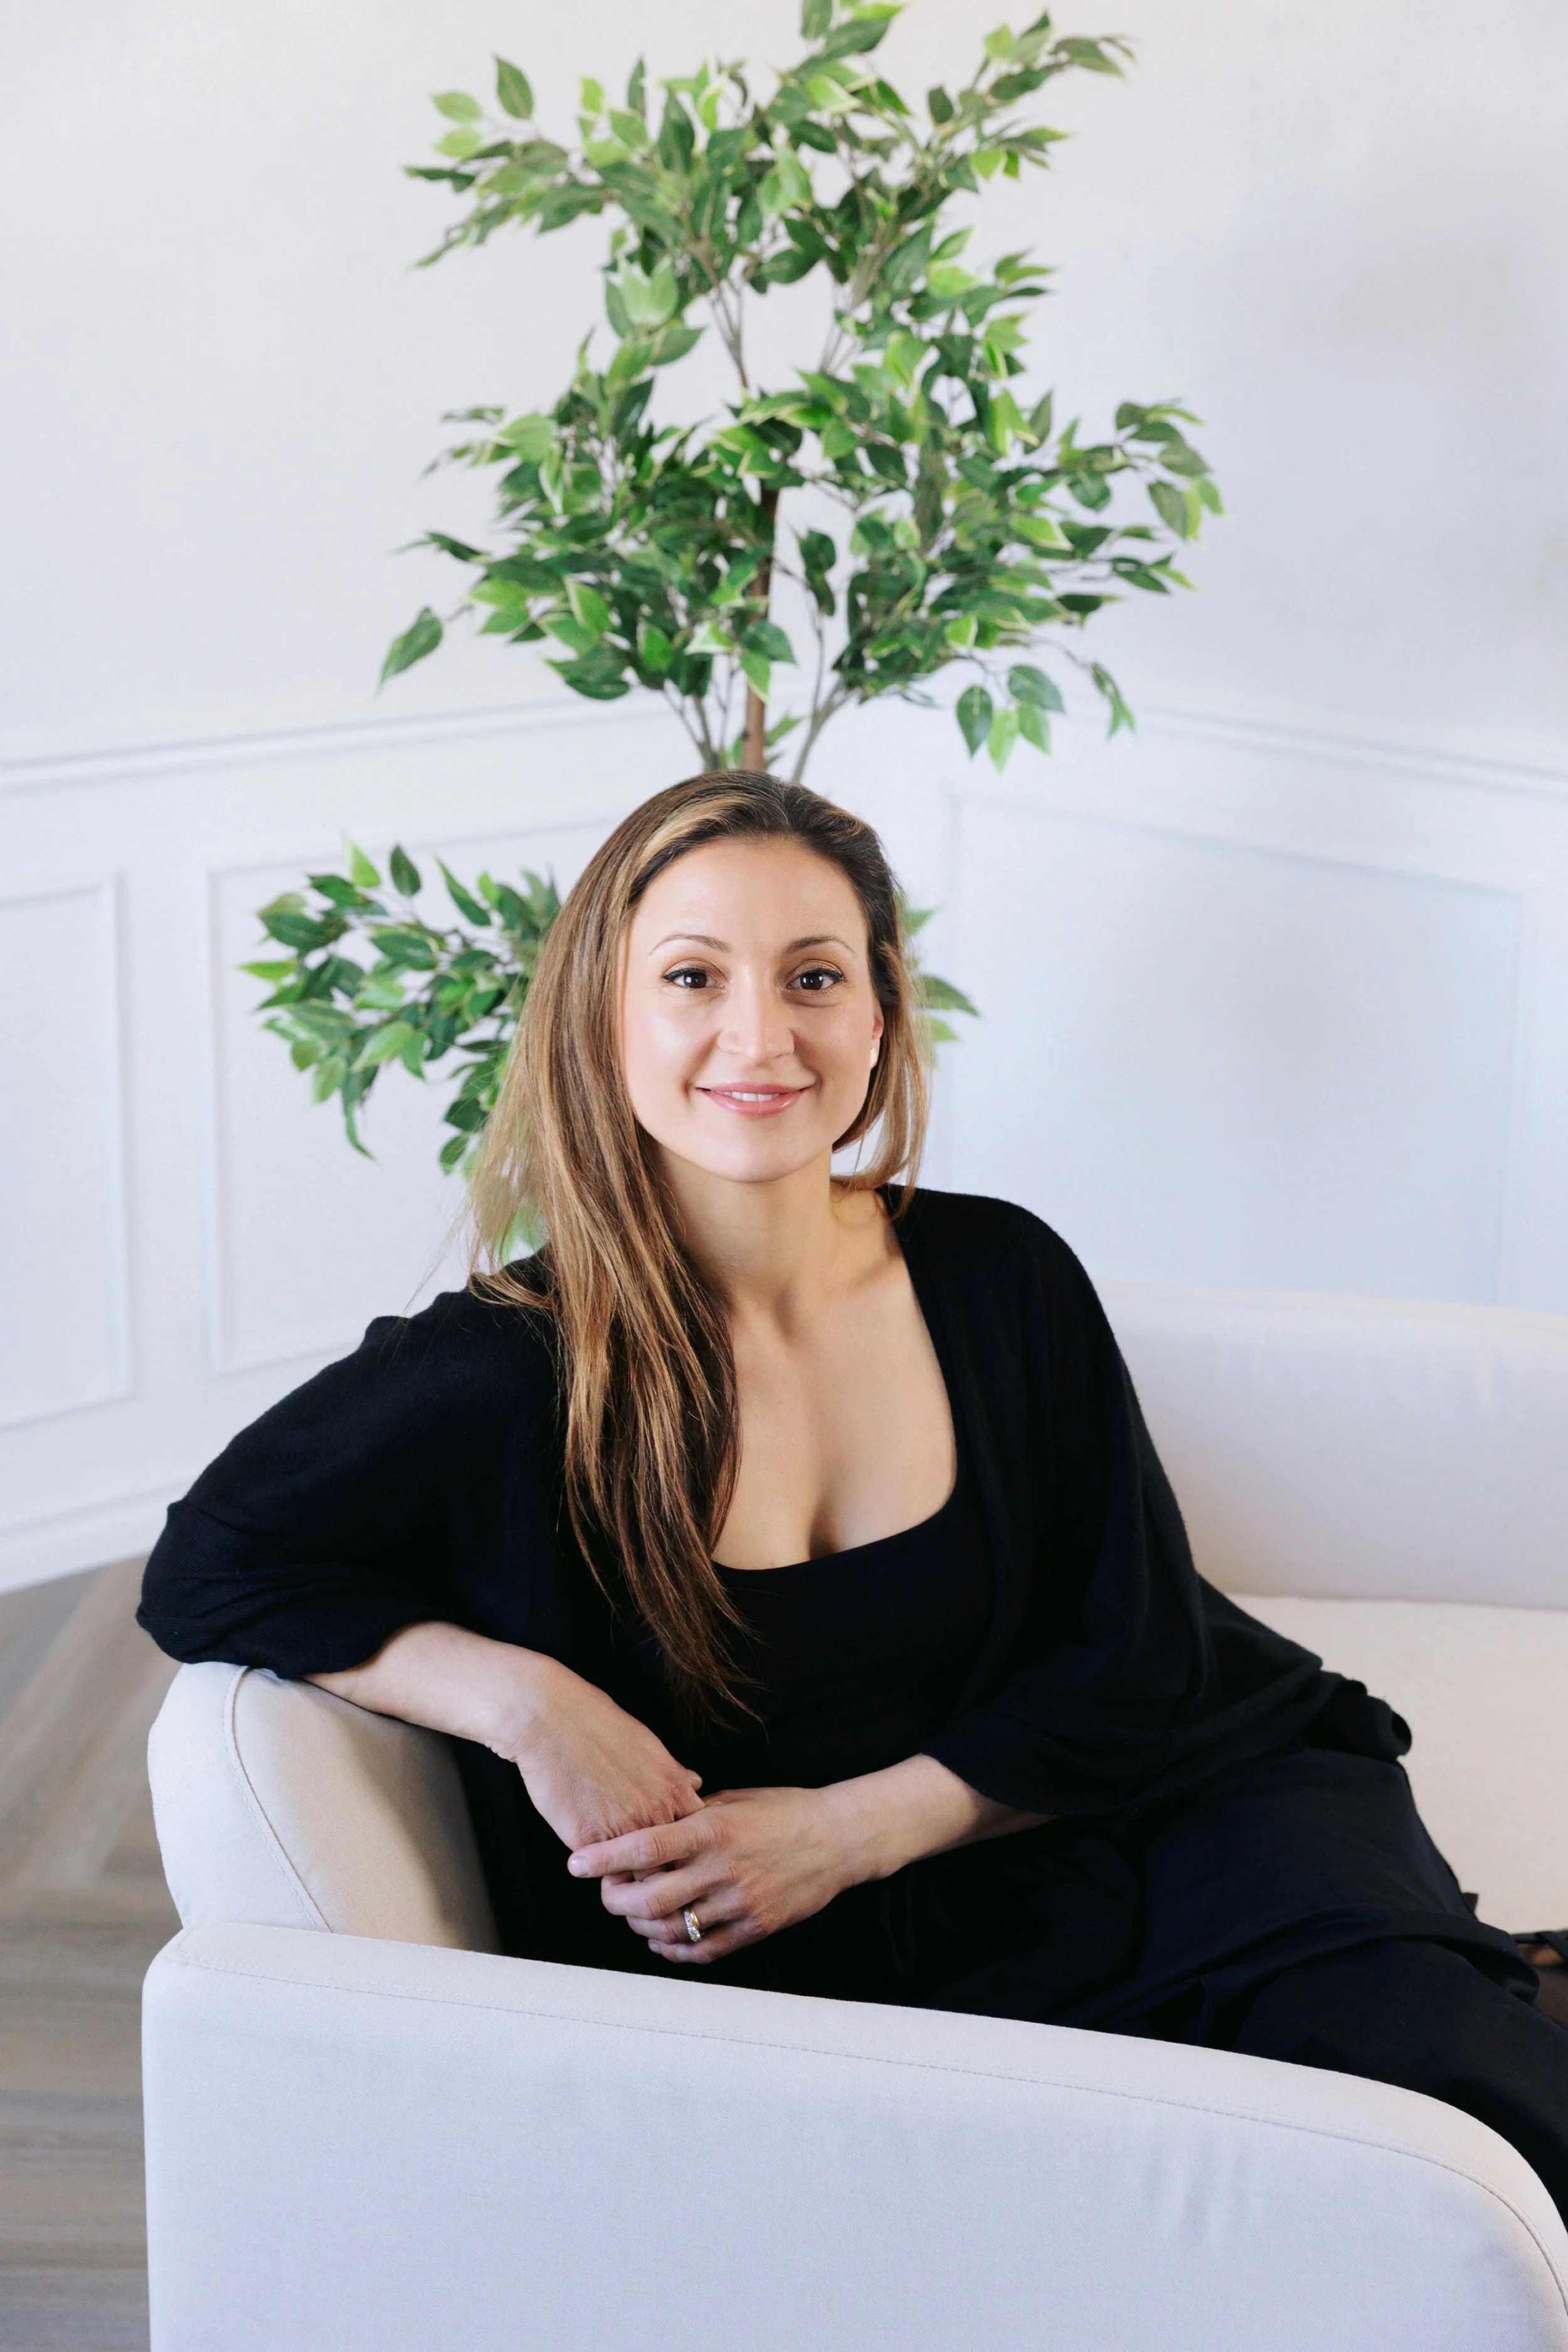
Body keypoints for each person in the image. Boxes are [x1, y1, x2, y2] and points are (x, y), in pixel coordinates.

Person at [139, 768, 1568, 2220]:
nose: (758, 1036)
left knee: (1446, 2086)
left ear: (877, 1017)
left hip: (1160, 1800)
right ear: (603, 1018)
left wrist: (845, 1829)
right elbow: (207, 1563)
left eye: (812, 977)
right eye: (692, 976)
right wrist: (527, 1703)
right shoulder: (509, 1369)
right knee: (1279, 2190)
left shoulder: (1001, 1275)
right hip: (859, 1967)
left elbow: (1137, 1651)